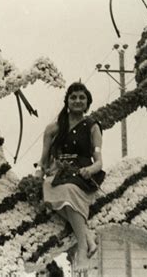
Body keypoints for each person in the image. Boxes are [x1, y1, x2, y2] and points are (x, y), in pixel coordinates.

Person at [35, 82, 103, 271]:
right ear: (67, 101)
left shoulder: (92, 127)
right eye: (73, 97)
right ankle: (87, 235)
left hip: (82, 175)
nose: (77, 101)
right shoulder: (53, 129)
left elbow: (99, 161)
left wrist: (90, 169)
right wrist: (38, 175)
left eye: (82, 97)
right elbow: (44, 160)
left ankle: (82, 248)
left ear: (87, 102)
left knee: (67, 191)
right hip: (58, 174)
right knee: (47, 187)